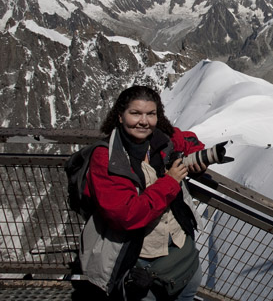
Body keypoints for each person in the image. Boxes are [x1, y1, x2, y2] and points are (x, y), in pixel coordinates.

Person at [77, 85, 231, 300]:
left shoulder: (160, 138)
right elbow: (126, 215)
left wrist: (198, 156)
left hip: (179, 250)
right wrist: (170, 182)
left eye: (151, 114)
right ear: (120, 116)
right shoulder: (107, 158)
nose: (144, 121)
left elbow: (188, 140)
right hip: (140, 259)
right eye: (135, 113)